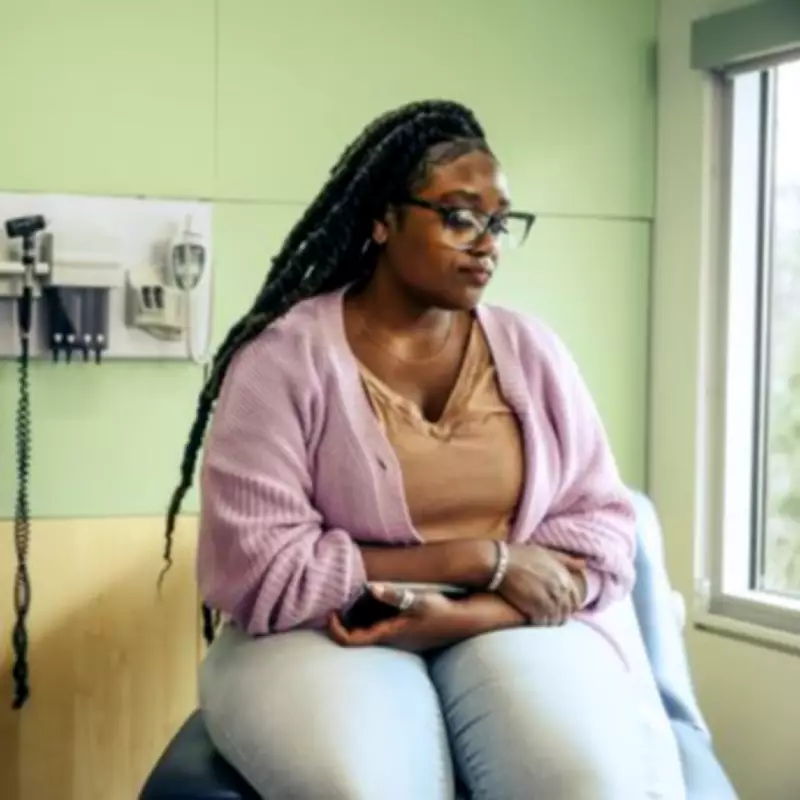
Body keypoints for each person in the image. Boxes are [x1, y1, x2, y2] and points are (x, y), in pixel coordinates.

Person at [163, 99, 686, 799]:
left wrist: (469, 611)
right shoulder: (281, 361)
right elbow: (264, 569)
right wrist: (477, 560)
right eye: (460, 216)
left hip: (507, 625)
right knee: (364, 788)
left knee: (582, 785)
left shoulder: (533, 352)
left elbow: (602, 533)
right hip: (323, 633)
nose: (487, 243)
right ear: (384, 219)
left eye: (499, 222)